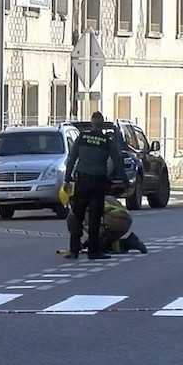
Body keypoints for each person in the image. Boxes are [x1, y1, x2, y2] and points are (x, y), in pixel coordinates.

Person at [62, 111, 125, 260]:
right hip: (98, 182)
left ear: (91, 123)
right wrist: (126, 182)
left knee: (77, 215)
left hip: (82, 181)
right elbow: (117, 162)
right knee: (95, 218)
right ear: (102, 124)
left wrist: (66, 180)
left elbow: (71, 158)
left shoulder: (82, 138)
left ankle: (74, 250)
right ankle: (93, 252)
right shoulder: (106, 141)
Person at [62, 194, 147, 255]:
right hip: (125, 221)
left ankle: (129, 243)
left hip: (112, 223)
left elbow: (90, 228)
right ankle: (123, 243)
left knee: (99, 247)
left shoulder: (79, 210)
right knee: (105, 242)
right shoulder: (100, 196)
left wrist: (78, 245)